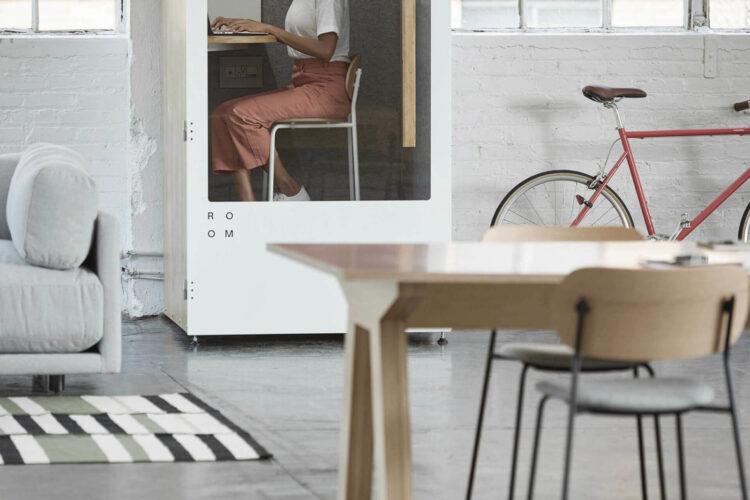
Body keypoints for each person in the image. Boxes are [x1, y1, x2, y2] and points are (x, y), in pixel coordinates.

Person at [211, 0, 351, 201]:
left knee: (241, 115)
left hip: (326, 90)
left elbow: (326, 50)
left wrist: (268, 29)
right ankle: (247, 206)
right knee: (221, 114)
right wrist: (246, 26)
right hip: (304, 81)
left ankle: (291, 191)